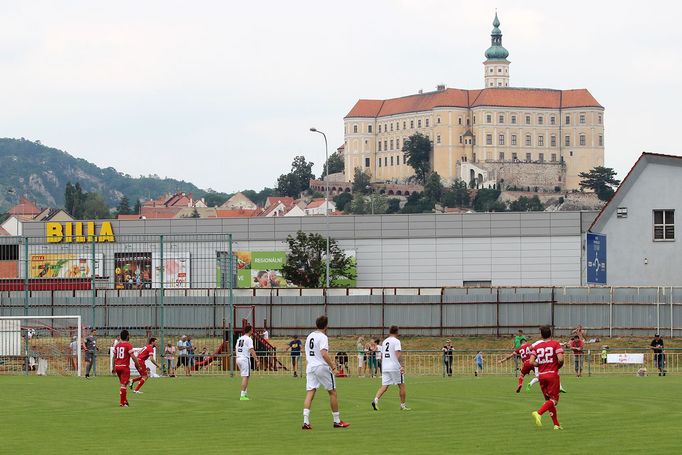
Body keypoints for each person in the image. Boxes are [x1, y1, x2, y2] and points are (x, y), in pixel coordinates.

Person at [302, 315, 349, 430]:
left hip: (310, 366)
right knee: (332, 392)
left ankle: (305, 421)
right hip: (321, 366)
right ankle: (337, 421)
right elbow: (323, 353)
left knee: (310, 393)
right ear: (326, 326)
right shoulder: (323, 337)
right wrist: (333, 367)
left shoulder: (310, 336)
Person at [530, 325, 565, 430]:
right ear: (551, 333)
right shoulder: (555, 344)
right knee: (554, 400)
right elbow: (560, 359)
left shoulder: (537, 347)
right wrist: (557, 366)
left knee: (548, 401)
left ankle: (556, 424)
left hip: (542, 376)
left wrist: (539, 365)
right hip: (552, 375)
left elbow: (531, 361)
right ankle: (538, 413)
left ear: (541, 335)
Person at [371, 325, 410, 411]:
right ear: (397, 332)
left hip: (385, 366)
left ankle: (375, 400)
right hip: (394, 366)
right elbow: (398, 354)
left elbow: (382, 354)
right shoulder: (396, 341)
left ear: (389, 332)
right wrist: (401, 366)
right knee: (402, 385)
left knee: (384, 386)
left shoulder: (385, 341)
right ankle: (402, 405)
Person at [111, 329, 141, 407]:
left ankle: (125, 400)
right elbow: (133, 357)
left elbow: (113, 357)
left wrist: (113, 367)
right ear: (128, 336)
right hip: (124, 368)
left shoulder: (117, 345)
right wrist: (138, 365)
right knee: (123, 385)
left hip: (117, 367)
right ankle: (122, 403)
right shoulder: (128, 345)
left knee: (123, 384)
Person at [235, 325, 259, 400]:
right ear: (250, 330)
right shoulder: (249, 339)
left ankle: (245, 394)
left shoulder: (239, 339)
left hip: (238, 358)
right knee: (246, 376)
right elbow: (251, 350)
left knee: (245, 376)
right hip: (245, 359)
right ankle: (242, 395)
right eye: (252, 330)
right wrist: (256, 359)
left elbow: (236, 348)